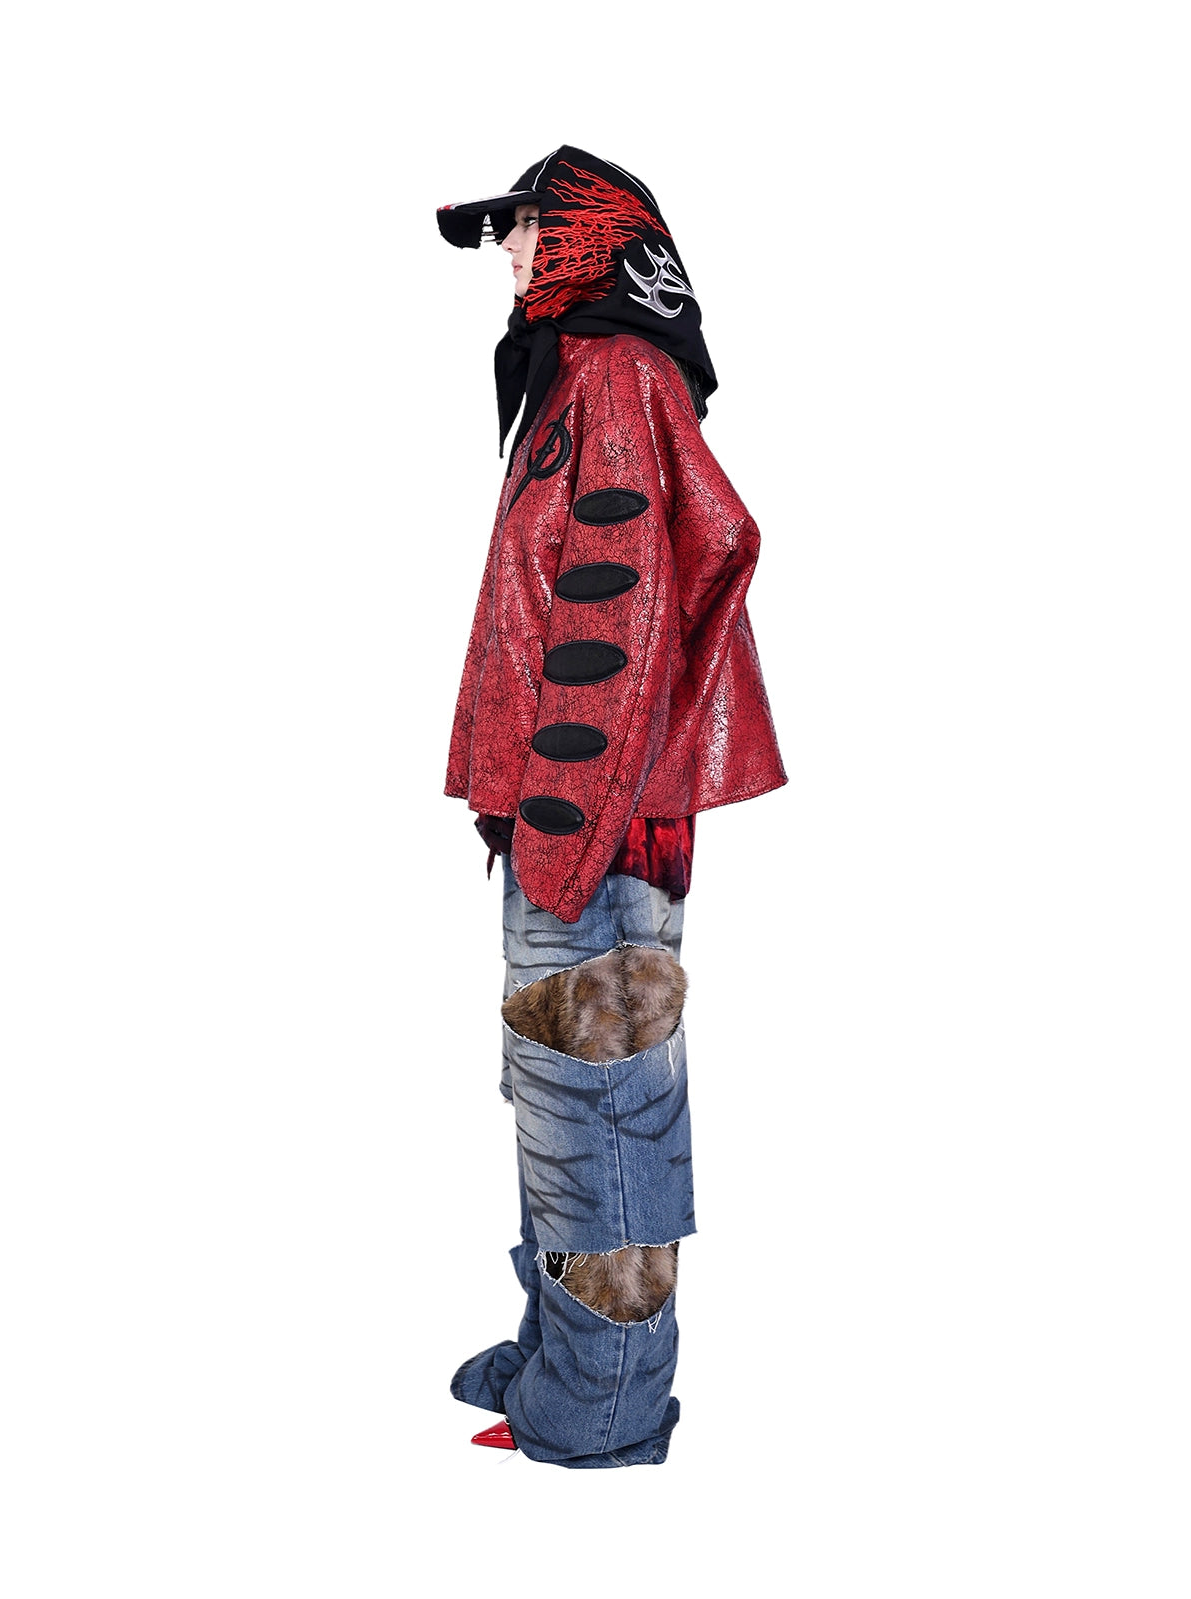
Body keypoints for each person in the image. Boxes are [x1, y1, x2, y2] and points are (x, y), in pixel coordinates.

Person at [437, 146, 786, 1468]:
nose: (508, 251)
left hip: (589, 818)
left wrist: (562, 823)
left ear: (587, 239)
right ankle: (563, 1342)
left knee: (601, 1096)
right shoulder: (579, 372)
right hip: (563, 806)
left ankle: (605, 1398)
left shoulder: (615, 375)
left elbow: (618, 610)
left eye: (525, 227)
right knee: (559, 1085)